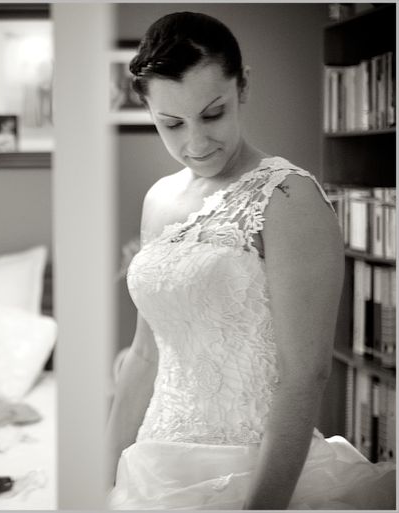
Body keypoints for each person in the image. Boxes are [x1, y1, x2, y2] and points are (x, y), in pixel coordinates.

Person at [107, 11, 395, 510]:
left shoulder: (289, 198)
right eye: (171, 123)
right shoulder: (158, 199)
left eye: (212, 114)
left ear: (243, 87)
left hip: (250, 471)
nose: (195, 143)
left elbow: (305, 375)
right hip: (157, 465)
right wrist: (99, 476)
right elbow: (144, 353)